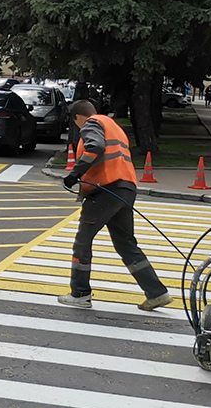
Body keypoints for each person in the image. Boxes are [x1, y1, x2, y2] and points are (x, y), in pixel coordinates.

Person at [59, 100, 171, 311]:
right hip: (126, 189)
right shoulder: (113, 126)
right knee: (126, 244)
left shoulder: (91, 124)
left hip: (105, 191)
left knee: (82, 242)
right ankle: (157, 293)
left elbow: (95, 147)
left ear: (77, 118)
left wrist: (75, 174)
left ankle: (80, 294)